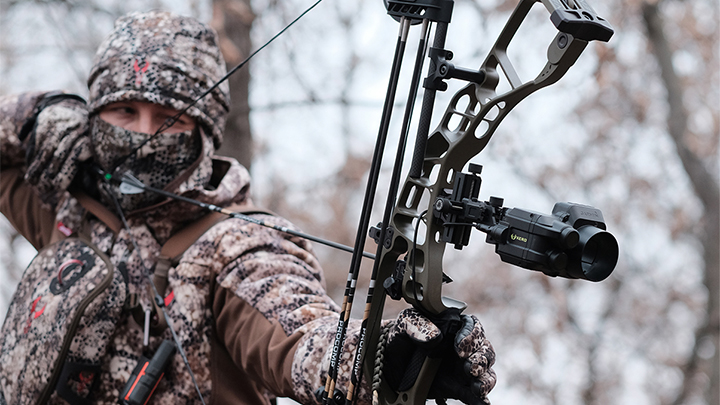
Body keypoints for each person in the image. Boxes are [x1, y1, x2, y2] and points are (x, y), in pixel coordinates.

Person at [0, 10, 496, 405]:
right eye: (125, 111)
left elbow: (300, 336)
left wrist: (387, 359)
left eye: (169, 119)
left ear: (203, 135)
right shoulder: (68, 200)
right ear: (93, 118)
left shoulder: (238, 245)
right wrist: (36, 113)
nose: (143, 135)